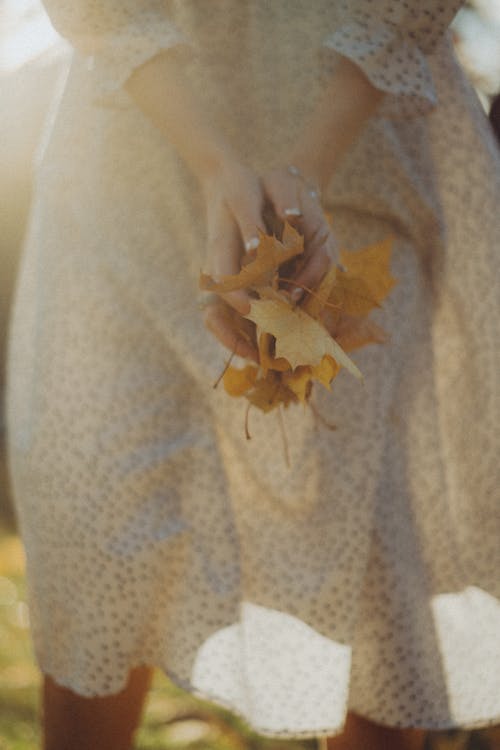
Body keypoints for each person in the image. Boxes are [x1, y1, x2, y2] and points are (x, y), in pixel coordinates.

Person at [5, 2, 500, 749]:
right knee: (100, 525)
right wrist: (213, 163)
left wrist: (307, 169)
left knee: (368, 561)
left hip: (362, 133)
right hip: (130, 141)